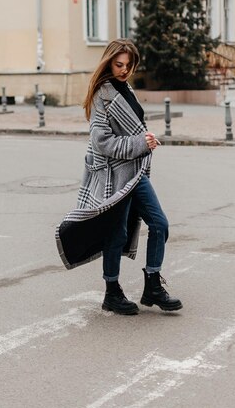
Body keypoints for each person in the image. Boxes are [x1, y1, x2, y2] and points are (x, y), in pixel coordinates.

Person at [56, 39, 182, 315]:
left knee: (159, 223)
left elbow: (132, 130)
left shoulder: (127, 89)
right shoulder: (103, 94)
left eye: (129, 65)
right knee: (117, 233)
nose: (124, 70)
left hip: (135, 172)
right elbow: (102, 142)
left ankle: (152, 285)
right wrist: (140, 144)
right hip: (115, 176)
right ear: (109, 62)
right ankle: (112, 292)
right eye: (119, 64)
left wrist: (145, 140)